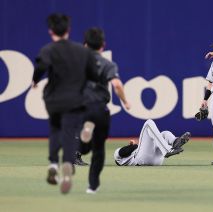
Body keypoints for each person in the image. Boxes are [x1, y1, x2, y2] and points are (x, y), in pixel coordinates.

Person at [32, 13, 99, 194]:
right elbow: (94, 74)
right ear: (68, 30)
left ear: (51, 31)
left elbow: (40, 66)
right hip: (75, 100)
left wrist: (34, 80)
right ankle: (68, 163)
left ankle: (53, 163)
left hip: (54, 100)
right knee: (69, 132)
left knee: (55, 129)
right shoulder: (82, 51)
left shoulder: (48, 50)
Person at [78, 27, 131, 194]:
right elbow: (116, 85)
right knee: (99, 149)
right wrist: (125, 101)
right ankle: (92, 186)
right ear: (103, 45)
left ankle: (84, 139)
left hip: (82, 108)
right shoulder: (108, 64)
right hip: (100, 109)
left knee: (84, 147)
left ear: (85, 45)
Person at [114, 119, 191, 166]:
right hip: (141, 160)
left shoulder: (124, 160)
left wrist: (132, 146)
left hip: (154, 160)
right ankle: (168, 150)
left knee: (164, 134)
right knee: (148, 123)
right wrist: (132, 146)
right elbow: (122, 152)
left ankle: (175, 142)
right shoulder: (117, 156)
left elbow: (126, 151)